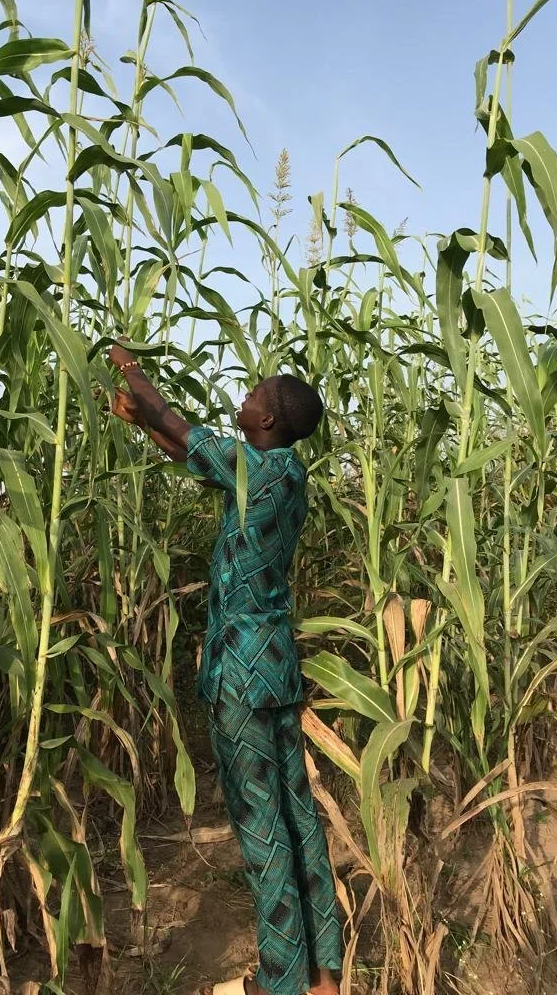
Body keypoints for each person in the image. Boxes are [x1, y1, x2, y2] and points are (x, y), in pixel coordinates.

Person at [108, 342, 342, 995]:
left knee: (261, 824)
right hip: (274, 667)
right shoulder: (283, 472)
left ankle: (279, 979)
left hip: (240, 674)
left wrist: (130, 369)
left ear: (267, 421)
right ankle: (324, 972)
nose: (243, 401)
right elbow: (189, 452)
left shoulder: (256, 467)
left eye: (252, 397)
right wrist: (145, 423)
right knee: (297, 816)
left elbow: (184, 429)